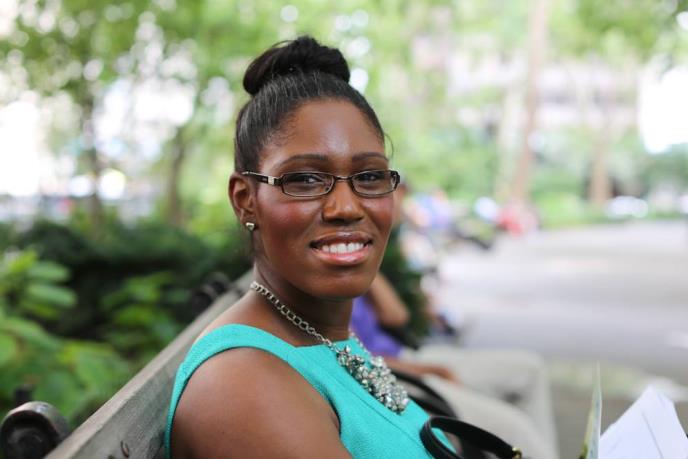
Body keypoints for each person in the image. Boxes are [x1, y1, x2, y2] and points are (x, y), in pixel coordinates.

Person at [165, 36, 458, 458]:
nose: (346, 207)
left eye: (369, 177)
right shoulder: (243, 386)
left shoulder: (322, 335)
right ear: (245, 200)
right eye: (304, 179)